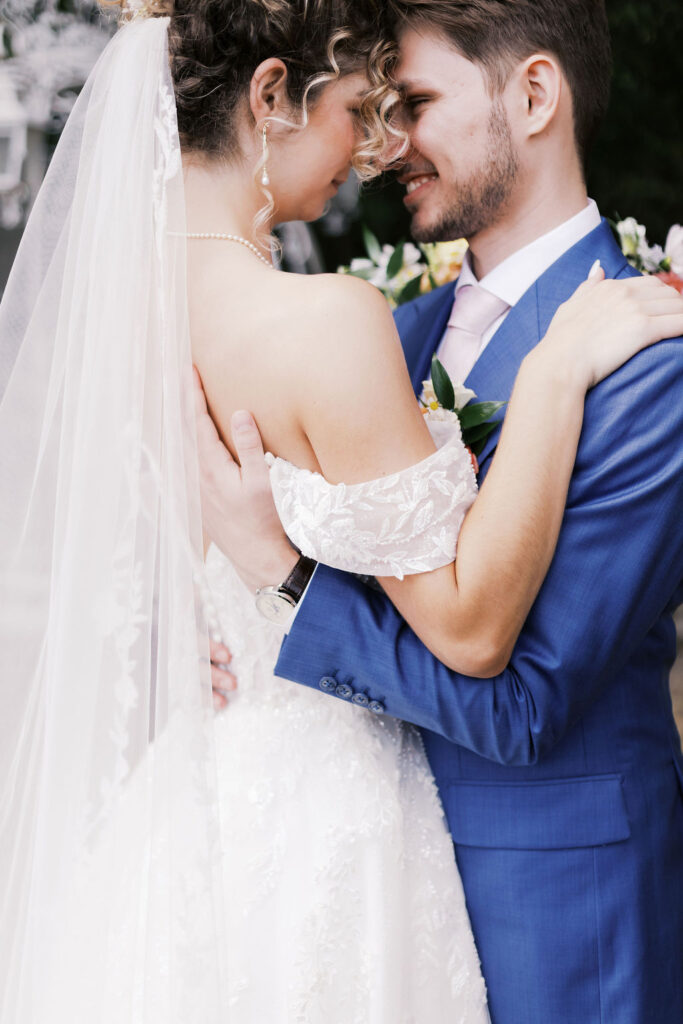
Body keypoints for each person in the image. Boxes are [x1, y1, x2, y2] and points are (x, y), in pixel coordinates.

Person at [0, 2, 680, 1023]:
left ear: (535, 96)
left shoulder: (644, 363)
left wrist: (276, 586)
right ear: (270, 96)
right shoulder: (375, 330)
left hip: (551, 910)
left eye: (408, 105)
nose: (382, 147)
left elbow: (525, 696)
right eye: (369, 107)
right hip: (322, 854)